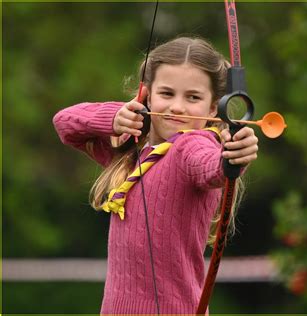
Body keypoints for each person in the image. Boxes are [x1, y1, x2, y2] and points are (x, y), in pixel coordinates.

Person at [53, 37, 259, 314]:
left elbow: (212, 168)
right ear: (146, 95)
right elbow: (64, 123)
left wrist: (234, 157)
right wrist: (115, 117)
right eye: (166, 93)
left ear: (213, 109)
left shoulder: (191, 145)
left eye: (193, 97)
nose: (177, 107)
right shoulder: (128, 152)